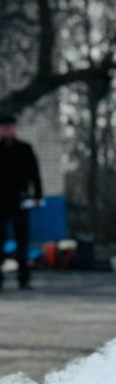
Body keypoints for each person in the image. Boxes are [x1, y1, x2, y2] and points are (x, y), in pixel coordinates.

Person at [0, 111, 42, 293]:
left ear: (15, 129)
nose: (8, 131)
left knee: (22, 241)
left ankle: (23, 279)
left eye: (10, 127)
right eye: (4, 128)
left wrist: (38, 196)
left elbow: (35, 174)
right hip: (0, 202)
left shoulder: (25, 149)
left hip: (20, 200)